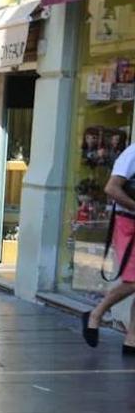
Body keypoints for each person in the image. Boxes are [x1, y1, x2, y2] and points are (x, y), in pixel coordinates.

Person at [84, 141, 135, 355]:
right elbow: (111, 188)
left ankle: (132, 339)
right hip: (128, 223)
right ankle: (96, 313)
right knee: (133, 280)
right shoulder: (132, 153)